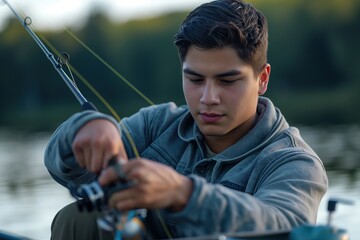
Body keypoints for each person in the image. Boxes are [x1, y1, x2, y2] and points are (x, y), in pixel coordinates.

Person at [44, 0, 328, 239]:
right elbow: (69, 174)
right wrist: (83, 130)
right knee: (77, 218)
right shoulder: (155, 125)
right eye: (194, 79)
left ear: (262, 79)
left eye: (227, 81)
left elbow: (288, 225)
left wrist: (182, 194)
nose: (208, 97)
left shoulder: (295, 163)